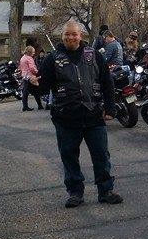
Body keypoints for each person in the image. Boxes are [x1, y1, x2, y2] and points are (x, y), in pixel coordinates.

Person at [37, 21, 122, 208]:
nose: (70, 37)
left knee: (101, 155)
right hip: (66, 118)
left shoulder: (94, 55)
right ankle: (75, 192)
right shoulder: (52, 58)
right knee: (69, 156)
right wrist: (33, 83)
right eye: (67, 34)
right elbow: (43, 86)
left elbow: (107, 82)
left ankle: (105, 190)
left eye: (74, 34)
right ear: (62, 36)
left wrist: (110, 108)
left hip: (94, 116)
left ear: (80, 36)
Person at [19, 46, 43, 111]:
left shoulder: (23, 58)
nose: (34, 53)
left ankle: (25, 106)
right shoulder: (29, 58)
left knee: (25, 92)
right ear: (30, 52)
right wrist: (37, 72)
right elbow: (32, 68)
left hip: (25, 77)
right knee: (36, 91)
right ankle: (40, 105)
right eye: (33, 52)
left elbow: (21, 67)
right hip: (30, 77)